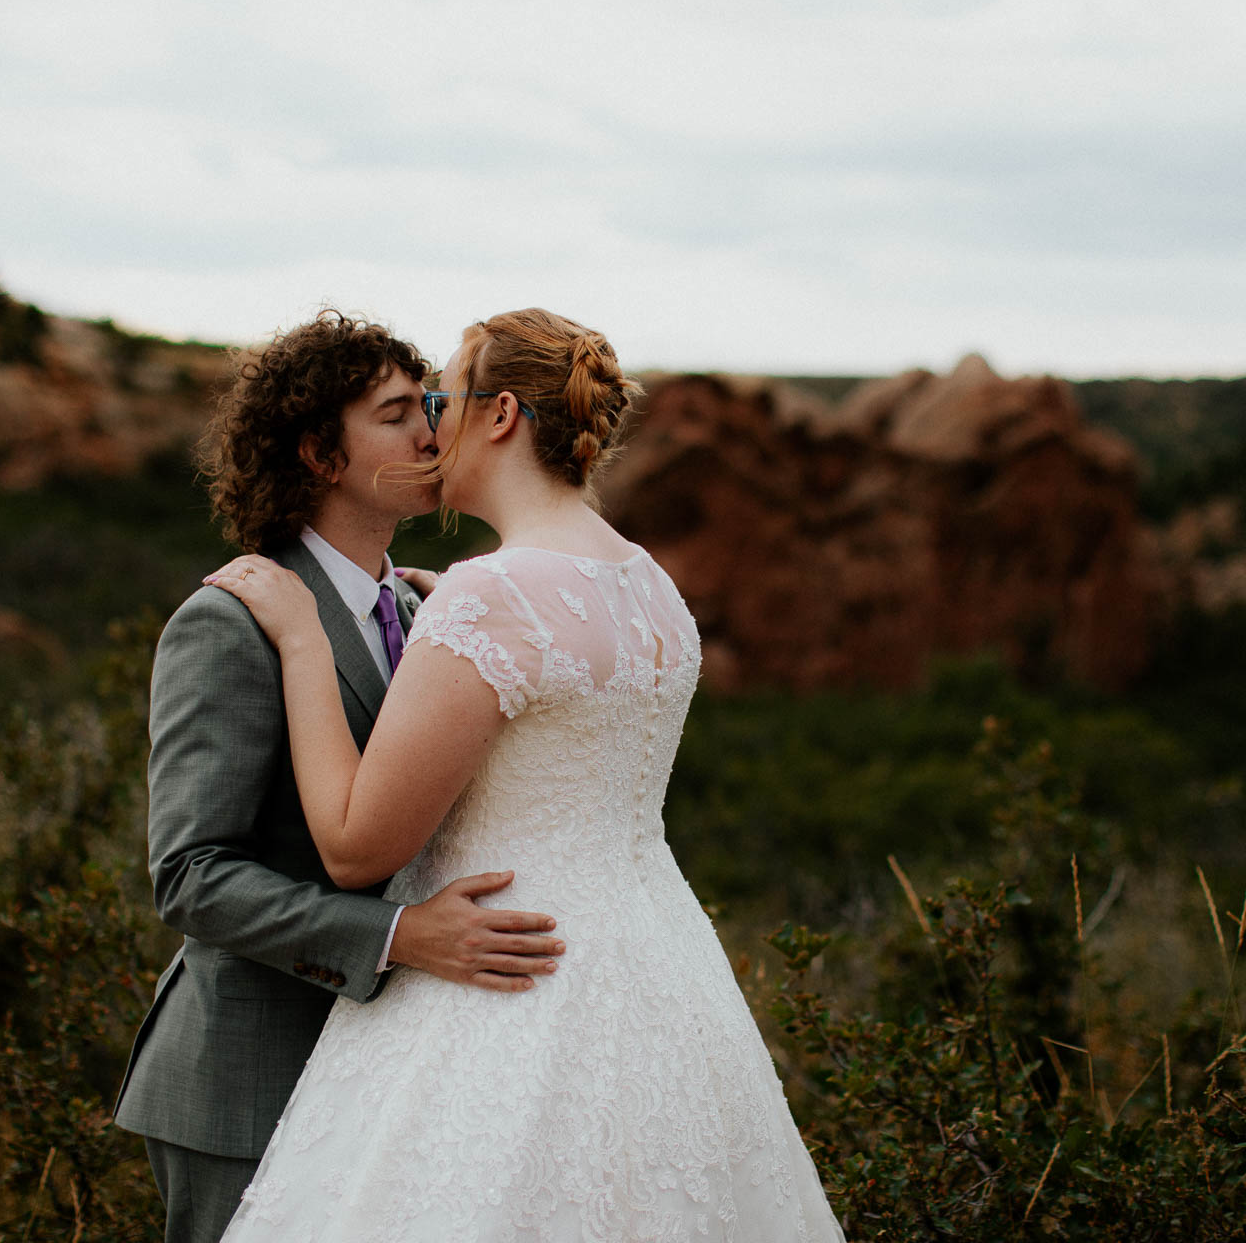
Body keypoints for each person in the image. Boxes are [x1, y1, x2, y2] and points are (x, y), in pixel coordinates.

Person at [204, 308, 846, 1240]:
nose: (430, 425)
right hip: (654, 976)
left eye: (440, 398)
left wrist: (304, 638)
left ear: (500, 414)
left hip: (500, 975)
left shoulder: (492, 593)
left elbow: (352, 848)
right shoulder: (648, 584)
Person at [111, 310, 568, 1243]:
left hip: (390, 1074)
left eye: (429, 406)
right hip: (245, 1083)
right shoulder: (230, 621)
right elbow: (192, 875)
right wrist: (398, 935)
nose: (432, 433)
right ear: (322, 454)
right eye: (398, 414)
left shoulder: (419, 605)